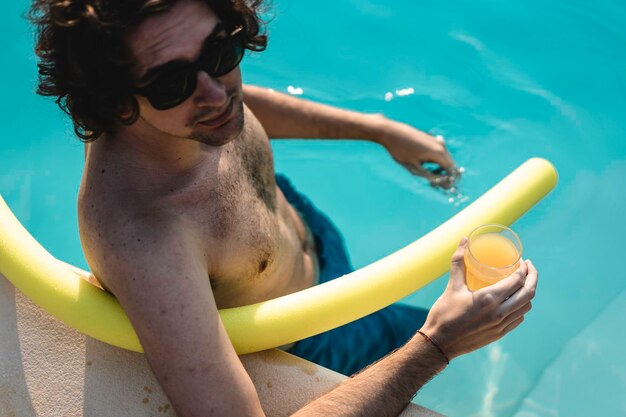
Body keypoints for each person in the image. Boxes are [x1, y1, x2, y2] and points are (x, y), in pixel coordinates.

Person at [29, 0, 538, 415]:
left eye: (220, 50)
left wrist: (377, 131)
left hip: (302, 235)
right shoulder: (145, 236)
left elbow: (243, 104)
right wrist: (436, 345)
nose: (216, 92)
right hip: (309, 334)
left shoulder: (196, 108)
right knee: (414, 331)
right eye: (170, 83)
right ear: (113, 100)